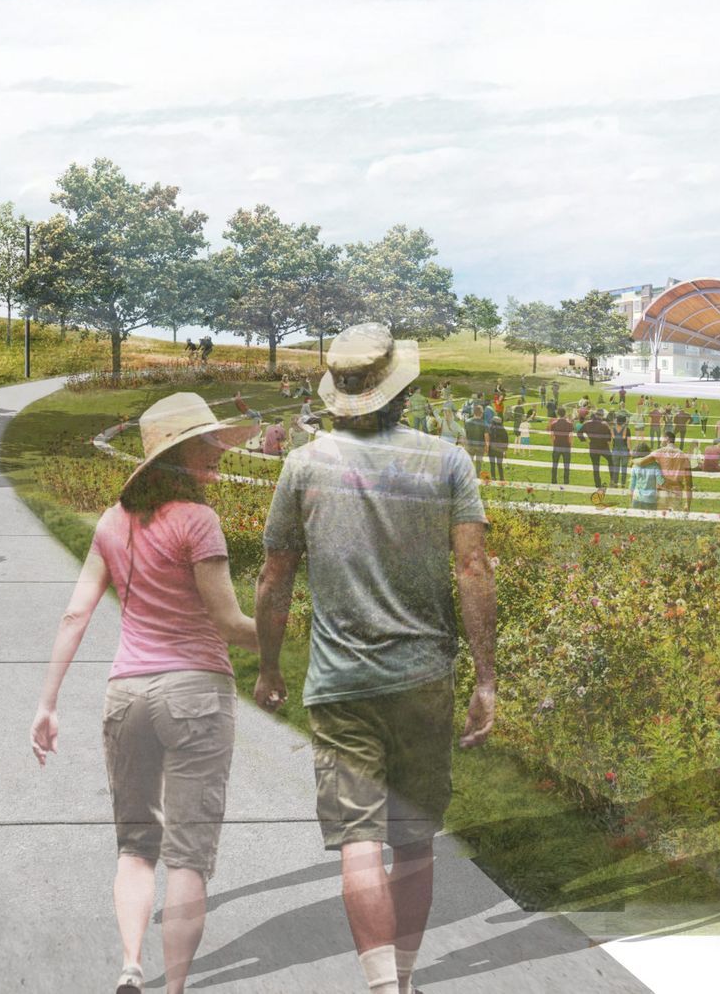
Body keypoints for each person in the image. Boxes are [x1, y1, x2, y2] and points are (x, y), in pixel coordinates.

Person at [252, 324, 495, 994]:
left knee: (358, 841)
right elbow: (473, 567)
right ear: (401, 387)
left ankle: (382, 987)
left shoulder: (303, 464)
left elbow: (275, 577)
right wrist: (488, 678)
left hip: (340, 681)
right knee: (413, 841)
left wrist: (270, 666)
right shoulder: (448, 461)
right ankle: (409, 978)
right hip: (424, 677)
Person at [30, 391, 255, 994]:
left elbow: (75, 616)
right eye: (206, 448)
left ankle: (131, 966)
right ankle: (175, 988)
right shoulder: (198, 521)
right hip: (196, 694)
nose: (214, 459)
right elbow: (231, 623)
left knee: (135, 847)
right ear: (180, 457)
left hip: (125, 696)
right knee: (187, 856)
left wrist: (47, 704)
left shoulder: (111, 521)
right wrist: (283, 640)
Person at [579, 408, 612, 490]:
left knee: (595, 466)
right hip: (604, 447)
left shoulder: (587, 424)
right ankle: (612, 480)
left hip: (593, 447)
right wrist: (608, 442)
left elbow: (579, 433)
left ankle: (597, 484)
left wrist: (586, 440)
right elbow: (609, 437)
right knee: (611, 461)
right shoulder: (604, 424)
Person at [628, 444, 661, 510]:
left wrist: (631, 499)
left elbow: (632, 485)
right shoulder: (655, 466)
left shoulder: (635, 466)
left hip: (636, 498)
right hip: (651, 499)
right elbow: (660, 482)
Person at [547, 405, 574, 485]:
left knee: (555, 464)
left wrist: (553, 444)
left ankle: (554, 480)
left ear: (558, 413)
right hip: (566, 446)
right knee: (566, 465)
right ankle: (566, 481)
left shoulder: (554, 423)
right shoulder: (569, 423)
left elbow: (551, 435)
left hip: (557, 445)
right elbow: (571, 436)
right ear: (565, 413)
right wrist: (570, 444)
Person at [485, 410, 509, 481]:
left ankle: (493, 477)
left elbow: (487, 439)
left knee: (492, 464)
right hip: (500, 449)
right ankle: (501, 478)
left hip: (491, 449)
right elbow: (506, 440)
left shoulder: (490, 428)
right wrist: (505, 450)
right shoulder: (503, 430)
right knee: (499, 465)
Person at [609, 414, 631, 486]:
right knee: (624, 468)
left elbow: (611, 441)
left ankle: (615, 482)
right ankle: (623, 483)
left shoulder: (612, 429)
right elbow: (628, 442)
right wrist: (629, 451)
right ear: (624, 422)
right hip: (624, 450)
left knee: (616, 467)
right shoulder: (627, 429)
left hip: (615, 450)